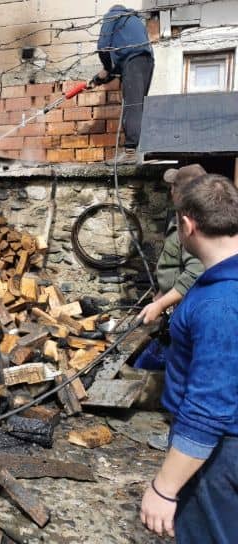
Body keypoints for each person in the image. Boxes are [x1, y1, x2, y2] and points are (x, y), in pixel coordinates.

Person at [140, 174, 238, 542]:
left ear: (187, 224)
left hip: (220, 452)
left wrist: (164, 488)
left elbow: (209, 407)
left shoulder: (221, 304)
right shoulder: (217, 282)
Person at [134, 164, 206, 369]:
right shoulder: (178, 217)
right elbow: (175, 265)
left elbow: (194, 273)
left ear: (182, 192)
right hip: (175, 306)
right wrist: (160, 293)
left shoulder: (194, 224)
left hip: (185, 311)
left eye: (174, 186)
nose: (170, 190)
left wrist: (161, 304)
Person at [94, 4, 154, 165]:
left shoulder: (112, 15)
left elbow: (103, 46)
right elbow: (122, 65)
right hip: (147, 62)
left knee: (132, 105)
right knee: (138, 105)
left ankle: (129, 154)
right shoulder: (135, 20)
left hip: (133, 61)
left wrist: (106, 68)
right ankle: (137, 151)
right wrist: (102, 77)